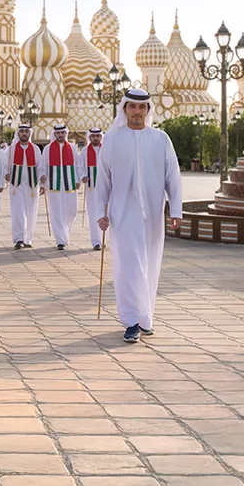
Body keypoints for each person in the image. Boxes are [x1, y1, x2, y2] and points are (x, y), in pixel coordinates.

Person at [96, 88, 182, 343]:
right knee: (129, 266)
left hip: (153, 216)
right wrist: (101, 212)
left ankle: (146, 318)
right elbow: (103, 180)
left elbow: (173, 177)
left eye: (141, 107)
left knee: (150, 264)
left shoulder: (160, 139)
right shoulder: (112, 140)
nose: (136, 111)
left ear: (147, 110)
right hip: (122, 214)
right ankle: (131, 320)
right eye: (132, 107)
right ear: (124, 109)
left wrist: (175, 209)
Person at [42, 123, 78, 249]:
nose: (60, 135)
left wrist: (78, 179)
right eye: (58, 133)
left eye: (62, 133)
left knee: (72, 211)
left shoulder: (72, 148)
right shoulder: (48, 149)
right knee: (56, 212)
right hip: (53, 184)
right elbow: (43, 166)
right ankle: (60, 240)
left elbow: (77, 166)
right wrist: (42, 180)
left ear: (65, 134)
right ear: (54, 134)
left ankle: (65, 233)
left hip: (70, 184)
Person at [6, 124, 42, 249]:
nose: (24, 134)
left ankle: (28, 239)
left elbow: (40, 167)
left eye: (26, 131)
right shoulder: (11, 149)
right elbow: (5, 164)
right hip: (16, 186)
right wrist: (6, 175)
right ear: (18, 133)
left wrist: (42, 183)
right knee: (18, 213)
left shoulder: (36, 149)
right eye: (22, 131)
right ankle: (18, 239)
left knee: (31, 212)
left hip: (32, 186)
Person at [78, 126, 104, 250]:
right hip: (91, 189)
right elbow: (79, 167)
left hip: (105, 188)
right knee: (93, 214)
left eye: (98, 136)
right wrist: (82, 176)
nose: (95, 138)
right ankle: (96, 241)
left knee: (105, 213)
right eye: (93, 136)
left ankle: (104, 238)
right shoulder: (84, 152)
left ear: (101, 137)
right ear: (90, 137)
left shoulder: (106, 150)